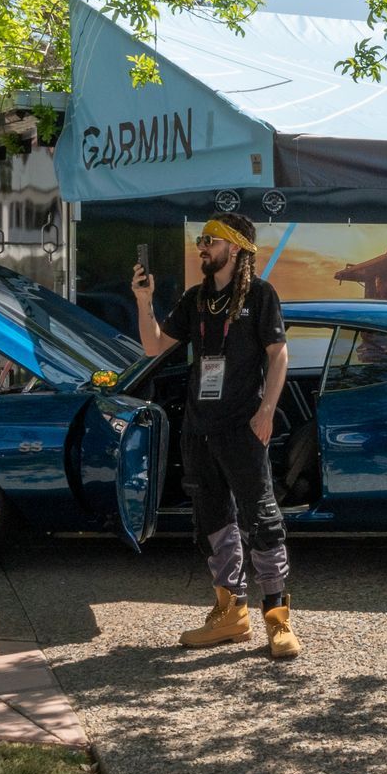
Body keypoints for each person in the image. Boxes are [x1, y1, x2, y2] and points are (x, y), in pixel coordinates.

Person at [133, 212, 299, 659]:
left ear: (235, 247)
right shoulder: (195, 299)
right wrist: (143, 299)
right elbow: (154, 347)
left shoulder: (261, 296)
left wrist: (267, 411)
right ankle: (231, 613)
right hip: (199, 429)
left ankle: (277, 619)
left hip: (244, 427)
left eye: (210, 240)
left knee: (261, 518)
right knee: (212, 521)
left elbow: (279, 356)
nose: (201, 247)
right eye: (201, 240)